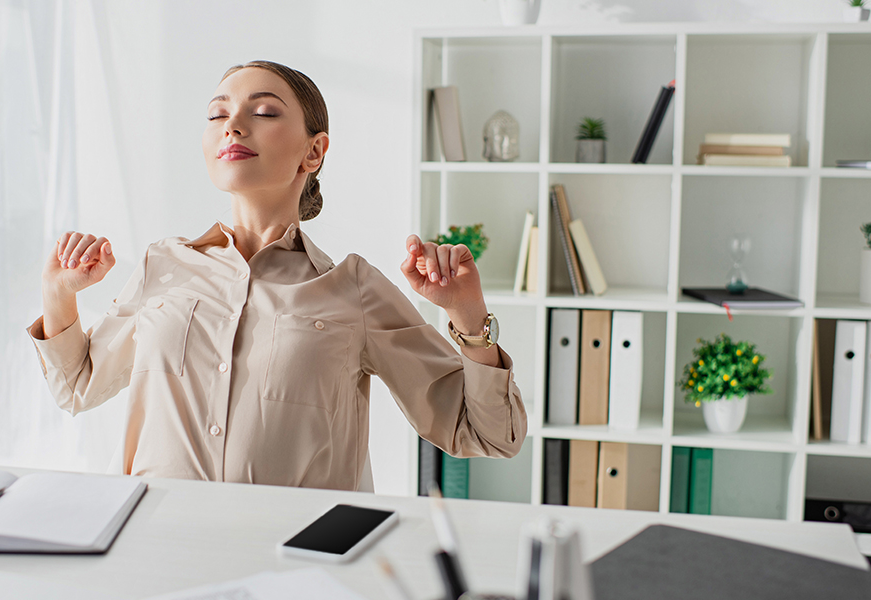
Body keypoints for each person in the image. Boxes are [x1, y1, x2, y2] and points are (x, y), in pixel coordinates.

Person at [28, 60, 526, 491]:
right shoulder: (164, 265)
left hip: (293, 562)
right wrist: (58, 294)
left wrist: (467, 313)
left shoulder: (353, 289)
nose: (233, 125)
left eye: (263, 112)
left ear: (314, 151)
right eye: (218, 114)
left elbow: (487, 433)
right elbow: (78, 387)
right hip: (154, 543)